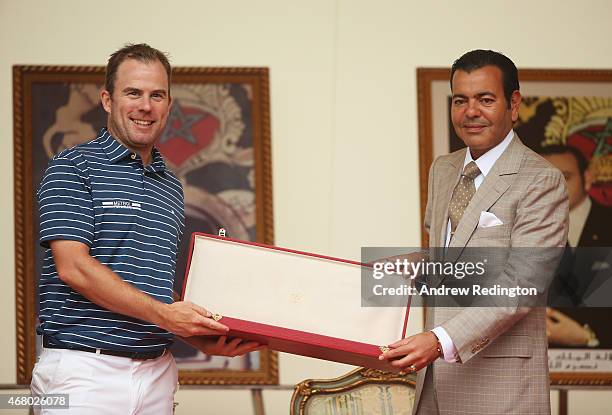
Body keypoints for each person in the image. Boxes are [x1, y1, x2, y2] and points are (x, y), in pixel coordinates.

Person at [31, 44, 260, 415]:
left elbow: (150, 285)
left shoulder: (169, 183)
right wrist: (169, 317)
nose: (145, 105)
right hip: (84, 371)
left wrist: (196, 334)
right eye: (133, 93)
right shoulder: (72, 167)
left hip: (158, 371)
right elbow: (72, 267)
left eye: (157, 95)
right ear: (107, 100)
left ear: (169, 105)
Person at [381, 50, 569, 414]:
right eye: (460, 100)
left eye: (485, 99)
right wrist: (373, 272)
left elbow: (520, 286)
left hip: (501, 390)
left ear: (514, 104)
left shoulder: (542, 180)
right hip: (432, 384)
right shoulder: (444, 169)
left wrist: (438, 341)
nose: (470, 112)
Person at [541, 145, 612, 347]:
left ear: (587, 178)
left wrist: (588, 336)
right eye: (543, 178)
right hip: (535, 366)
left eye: (565, 177)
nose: (553, 187)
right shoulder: (516, 230)